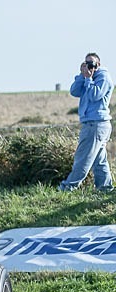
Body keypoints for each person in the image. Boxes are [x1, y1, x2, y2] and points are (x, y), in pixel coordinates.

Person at [59, 53, 114, 192]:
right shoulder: (86, 76)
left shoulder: (103, 77)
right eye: (87, 63)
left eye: (92, 64)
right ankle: (105, 188)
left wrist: (89, 79)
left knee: (83, 158)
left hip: (96, 124)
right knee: (99, 161)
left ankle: (68, 187)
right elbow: (74, 91)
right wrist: (81, 75)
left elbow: (94, 95)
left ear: (98, 65)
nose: (90, 66)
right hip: (94, 124)